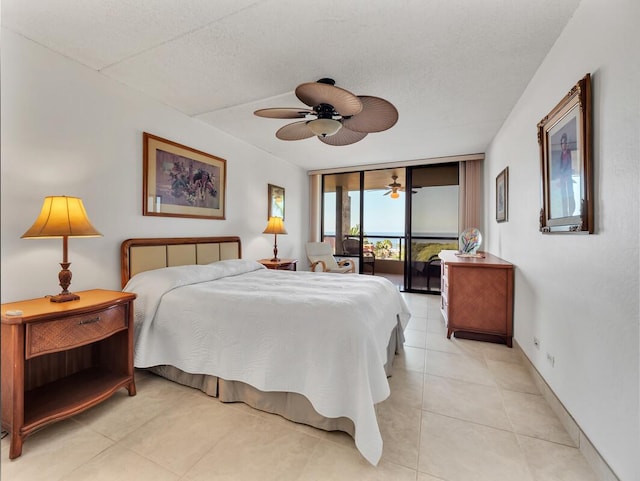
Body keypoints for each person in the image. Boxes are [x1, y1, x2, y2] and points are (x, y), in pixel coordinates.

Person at [558, 133, 575, 216]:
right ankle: (565, 213)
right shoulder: (561, 154)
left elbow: (569, 167)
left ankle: (571, 212)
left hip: (568, 178)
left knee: (570, 195)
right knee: (563, 196)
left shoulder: (569, 153)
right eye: (562, 143)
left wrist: (565, 173)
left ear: (566, 144)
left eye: (564, 143)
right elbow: (560, 167)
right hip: (562, 179)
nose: (563, 145)